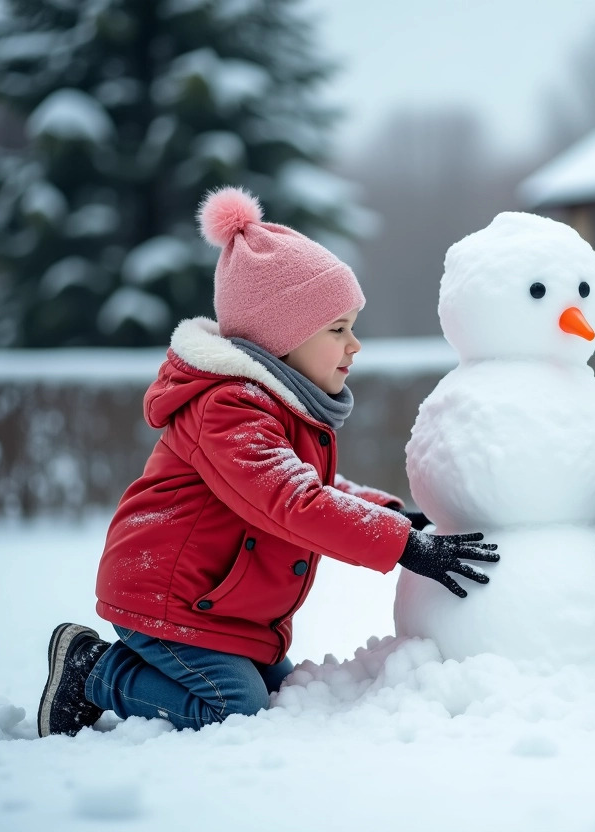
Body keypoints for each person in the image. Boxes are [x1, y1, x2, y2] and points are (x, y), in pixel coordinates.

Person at [38, 187, 497, 737]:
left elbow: (314, 483)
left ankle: (126, 672)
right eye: (337, 329)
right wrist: (403, 545)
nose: (355, 346)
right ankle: (91, 670)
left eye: (352, 326)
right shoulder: (227, 409)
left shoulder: (282, 406)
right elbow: (292, 500)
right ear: (282, 338)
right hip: (169, 601)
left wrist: (395, 515)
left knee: (287, 696)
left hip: (222, 613)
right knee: (238, 710)